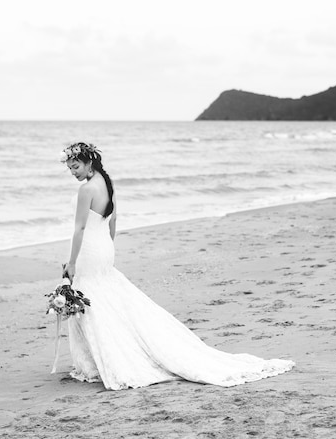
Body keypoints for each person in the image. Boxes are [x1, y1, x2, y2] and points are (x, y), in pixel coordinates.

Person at [60, 142, 294, 390]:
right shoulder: (107, 183)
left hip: (89, 250)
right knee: (103, 300)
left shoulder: (87, 190)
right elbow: (113, 219)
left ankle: (96, 362)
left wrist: (72, 261)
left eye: (75, 166)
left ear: (88, 163)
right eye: (70, 168)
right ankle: (99, 358)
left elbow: (80, 228)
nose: (73, 172)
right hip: (103, 248)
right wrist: (110, 247)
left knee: (91, 301)